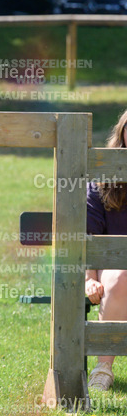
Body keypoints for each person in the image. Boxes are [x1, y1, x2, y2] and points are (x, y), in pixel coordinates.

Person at [85, 108, 127, 392]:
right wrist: (89, 277)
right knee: (121, 277)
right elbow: (89, 237)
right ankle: (103, 368)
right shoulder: (102, 180)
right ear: (122, 132)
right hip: (112, 264)